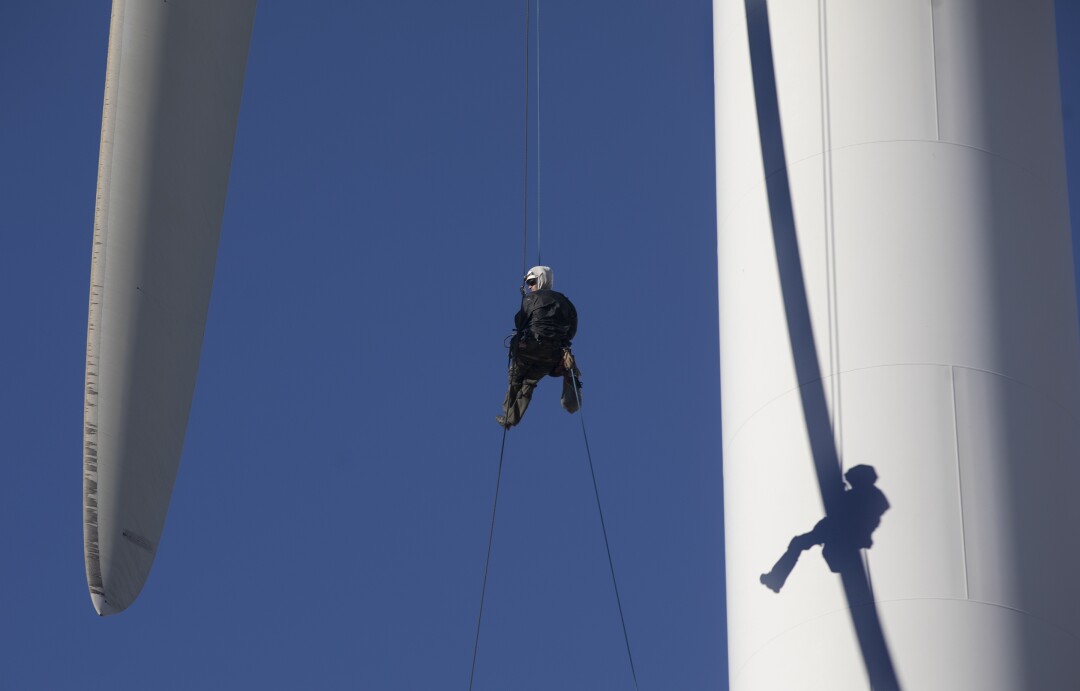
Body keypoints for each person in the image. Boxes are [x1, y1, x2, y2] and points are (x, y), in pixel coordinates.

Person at [760, 464, 890, 593]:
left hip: (840, 533)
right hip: (834, 531)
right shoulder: (863, 495)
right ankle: (776, 578)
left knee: (818, 551)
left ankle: (776, 579)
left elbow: (866, 516)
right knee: (801, 544)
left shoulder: (868, 496)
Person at [497, 266, 581, 429]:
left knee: (516, 377)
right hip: (551, 356)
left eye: (531, 282)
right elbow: (572, 331)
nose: (529, 286)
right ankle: (510, 418)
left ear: (541, 279)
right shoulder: (567, 303)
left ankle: (509, 416)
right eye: (528, 283)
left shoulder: (531, 299)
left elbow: (519, 322)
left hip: (529, 348)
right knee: (529, 382)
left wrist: (526, 301)